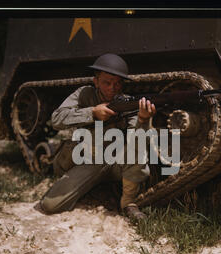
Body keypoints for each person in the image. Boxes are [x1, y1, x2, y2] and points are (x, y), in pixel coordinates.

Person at [40, 53, 156, 220]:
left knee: (135, 148)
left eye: (117, 83)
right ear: (96, 81)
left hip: (116, 162)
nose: (112, 88)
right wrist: (92, 113)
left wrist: (143, 120)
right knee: (50, 205)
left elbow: (136, 141)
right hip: (88, 161)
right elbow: (56, 119)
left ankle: (128, 203)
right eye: (106, 83)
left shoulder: (128, 103)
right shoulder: (84, 94)